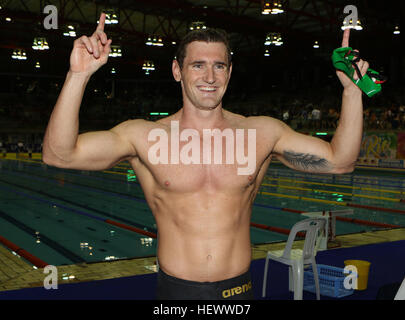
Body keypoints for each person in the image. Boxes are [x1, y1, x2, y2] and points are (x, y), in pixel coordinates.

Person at [42, 13, 369, 300]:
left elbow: (340, 161)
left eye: (218, 66)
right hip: (176, 293)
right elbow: (59, 155)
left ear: (229, 72)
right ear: (177, 70)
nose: (209, 78)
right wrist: (78, 75)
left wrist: (353, 92)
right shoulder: (143, 136)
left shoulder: (262, 133)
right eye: (198, 65)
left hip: (238, 291)